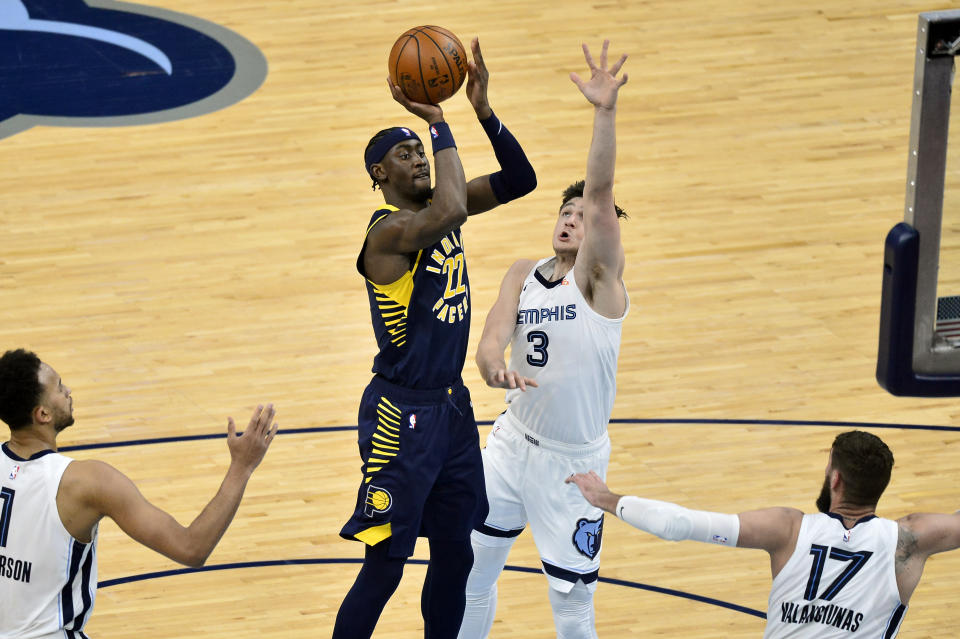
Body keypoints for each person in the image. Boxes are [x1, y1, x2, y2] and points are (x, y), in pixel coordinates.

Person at [333, 36, 537, 639]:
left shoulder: (437, 206)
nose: (419, 159)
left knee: (457, 555)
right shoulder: (392, 233)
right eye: (405, 154)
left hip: (449, 410)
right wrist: (439, 122)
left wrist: (483, 111)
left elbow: (521, 179)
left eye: (420, 150)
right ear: (380, 173)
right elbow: (448, 210)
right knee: (385, 567)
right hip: (401, 415)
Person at [458, 40, 629, 639]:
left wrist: (603, 112)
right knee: (470, 574)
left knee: (572, 606)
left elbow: (603, 194)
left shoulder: (598, 283)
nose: (570, 218)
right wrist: (493, 370)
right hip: (510, 444)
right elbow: (488, 345)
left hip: (572, 464)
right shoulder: (522, 272)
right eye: (565, 210)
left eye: (582, 216)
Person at [567, 430, 960, 637]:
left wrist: (607, 498)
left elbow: (678, 524)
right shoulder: (909, 540)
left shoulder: (788, 529)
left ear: (835, 478)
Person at [0, 348, 278, 638]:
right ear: (42, 414)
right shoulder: (87, 482)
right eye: (58, 387)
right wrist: (241, 467)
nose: (68, 391)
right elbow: (191, 548)